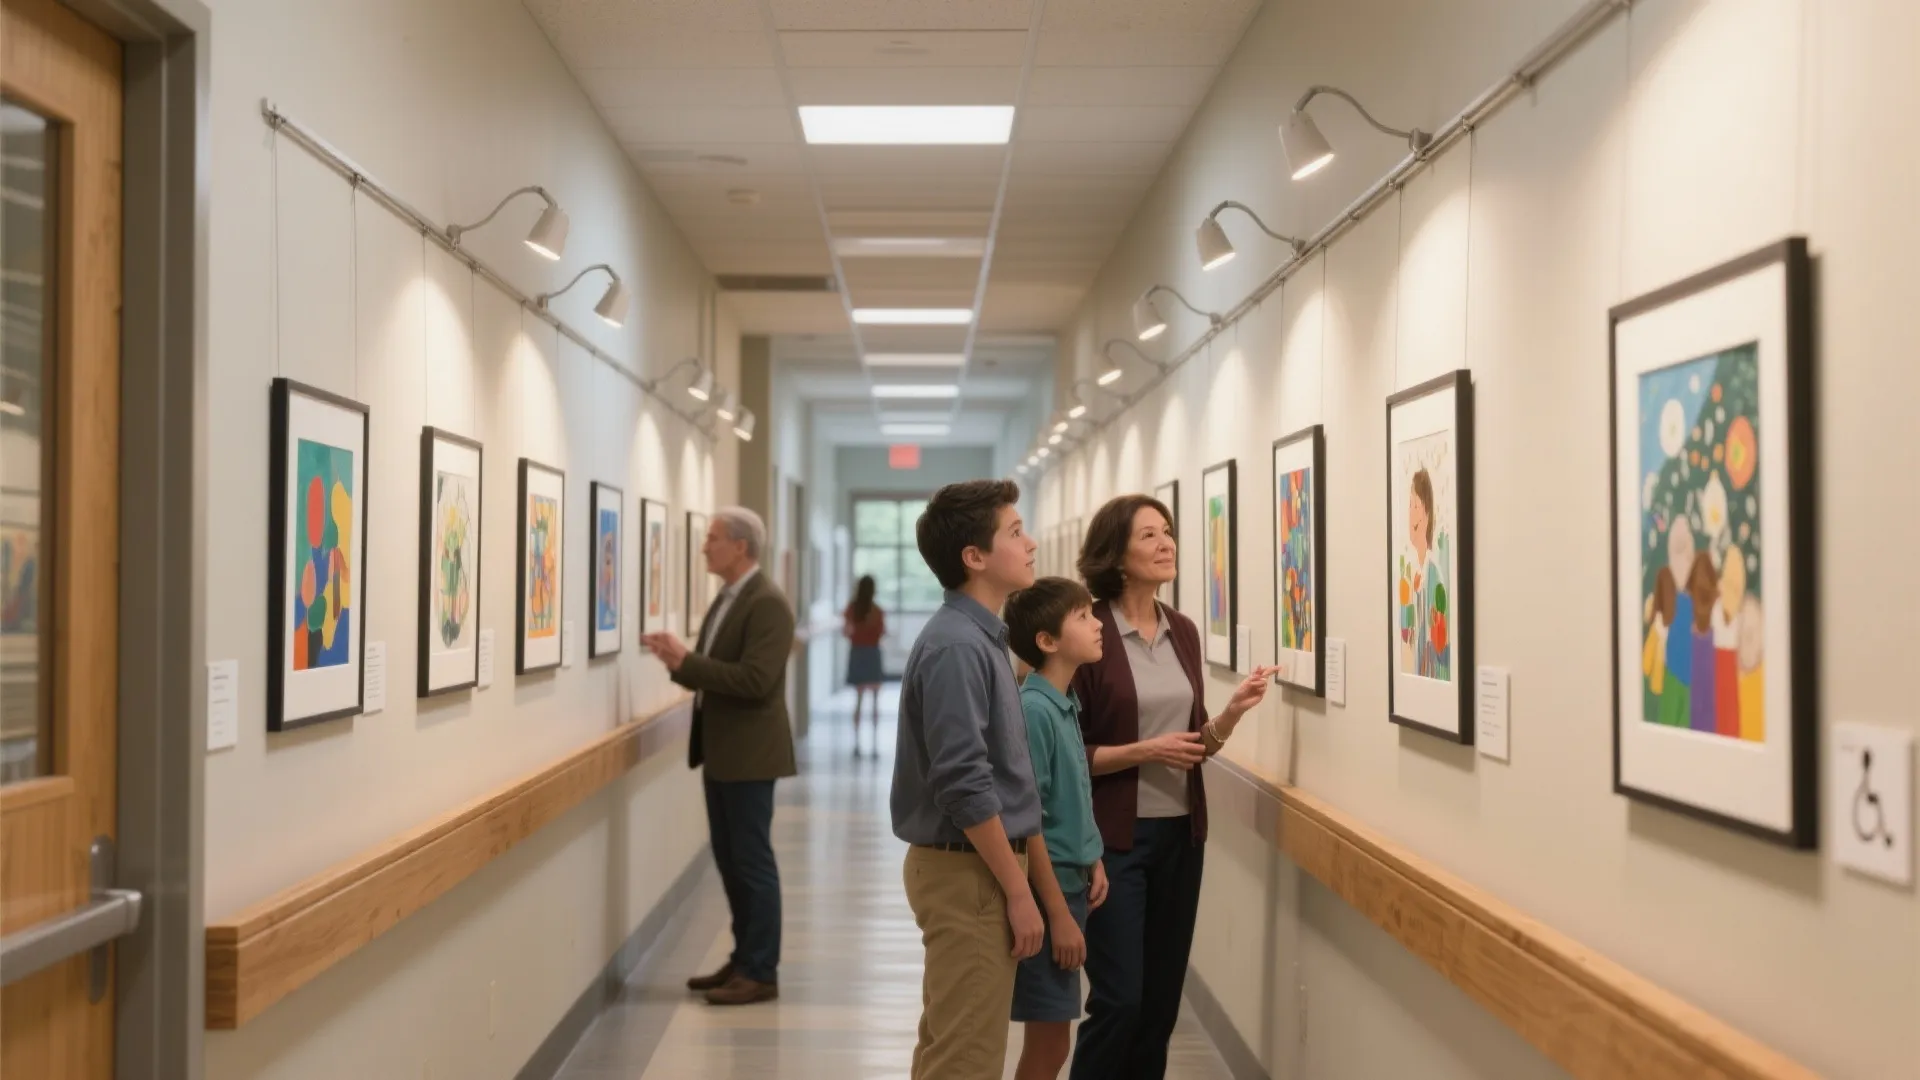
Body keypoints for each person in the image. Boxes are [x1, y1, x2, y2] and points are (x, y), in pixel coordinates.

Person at [1068, 494, 1276, 1080]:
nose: (1167, 544)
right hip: (1113, 842)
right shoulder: (1088, 632)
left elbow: (1194, 745)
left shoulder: (1181, 630)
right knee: (1119, 1000)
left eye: (1169, 532)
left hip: (1181, 839)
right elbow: (1062, 755)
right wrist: (1142, 751)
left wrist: (1230, 715)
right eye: (1149, 536)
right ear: (1116, 553)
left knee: (1160, 1006)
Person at [890, 479, 1043, 1080]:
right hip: (971, 872)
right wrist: (1018, 891)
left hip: (973, 867)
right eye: (1015, 532)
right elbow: (963, 784)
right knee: (966, 1062)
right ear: (974, 557)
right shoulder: (958, 647)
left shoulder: (978, 638)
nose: (1030, 543)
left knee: (949, 1050)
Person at [641, 507, 796, 1007]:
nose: (704, 546)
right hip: (723, 753)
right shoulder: (729, 599)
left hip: (751, 755)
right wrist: (678, 663)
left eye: (712, 538)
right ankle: (744, 957)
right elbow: (718, 670)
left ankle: (761, 970)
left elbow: (755, 681)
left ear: (741, 547)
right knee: (730, 860)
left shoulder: (767, 604)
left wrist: (689, 661)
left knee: (751, 862)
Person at [1004, 578, 1111, 1080]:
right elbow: (1029, 823)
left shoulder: (1062, 703)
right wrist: (1058, 917)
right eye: (1084, 617)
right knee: (1048, 1048)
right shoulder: (1035, 711)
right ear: (1047, 641)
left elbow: (1070, 800)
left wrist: (1093, 856)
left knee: (1053, 1044)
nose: (1098, 624)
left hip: (1073, 882)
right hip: (1052, 897)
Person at [843, 574, 887, 757]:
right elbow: (882, 632)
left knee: (858, 700)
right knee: (875, 701)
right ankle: (875, 744)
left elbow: (846, 632)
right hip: (872, 654)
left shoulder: (852, 609)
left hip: (858, 653)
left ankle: (856, 743)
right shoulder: (877, 611)